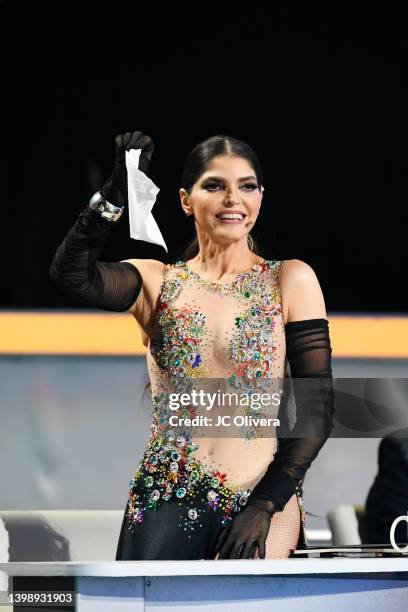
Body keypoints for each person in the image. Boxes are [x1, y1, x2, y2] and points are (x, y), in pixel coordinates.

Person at [49, 130, 335, 560]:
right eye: (215, 186)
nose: (233, 200)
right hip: (166, 500)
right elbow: (72, 275)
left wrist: (264, 504)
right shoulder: (157, 282)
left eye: (247, 186)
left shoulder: (289, 280)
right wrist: (114, 193)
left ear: (260, 197)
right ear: (186, 200)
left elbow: (317, 412)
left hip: (261, 500)